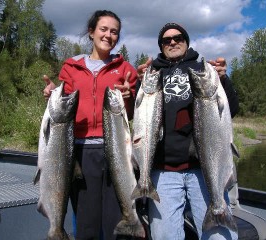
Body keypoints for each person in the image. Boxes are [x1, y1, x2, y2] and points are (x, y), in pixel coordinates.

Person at [136, 23, 239, 240]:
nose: (173, 41)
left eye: (178, 37)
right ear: (161, 46)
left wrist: (222, 79)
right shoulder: (152, 72)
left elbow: (233, 109)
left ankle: (219, 210)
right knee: (165, 236)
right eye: (166, 40)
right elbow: (139, 118)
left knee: (218, 237)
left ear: (186, 41)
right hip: (163, 171)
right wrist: (138, 83)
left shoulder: (202, 69)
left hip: (204, 169)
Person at [43, 10, 137, 240]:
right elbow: (63, 104)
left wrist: (128, 97)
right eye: (103, 29)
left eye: (114, 31)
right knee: (87, 223)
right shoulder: (71, 66)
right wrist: (52, 93)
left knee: (117, 219)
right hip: (80, 149)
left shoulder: (126, 69)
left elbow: (133, 113)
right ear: (91, 32)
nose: (108, 35)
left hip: (118, 149)